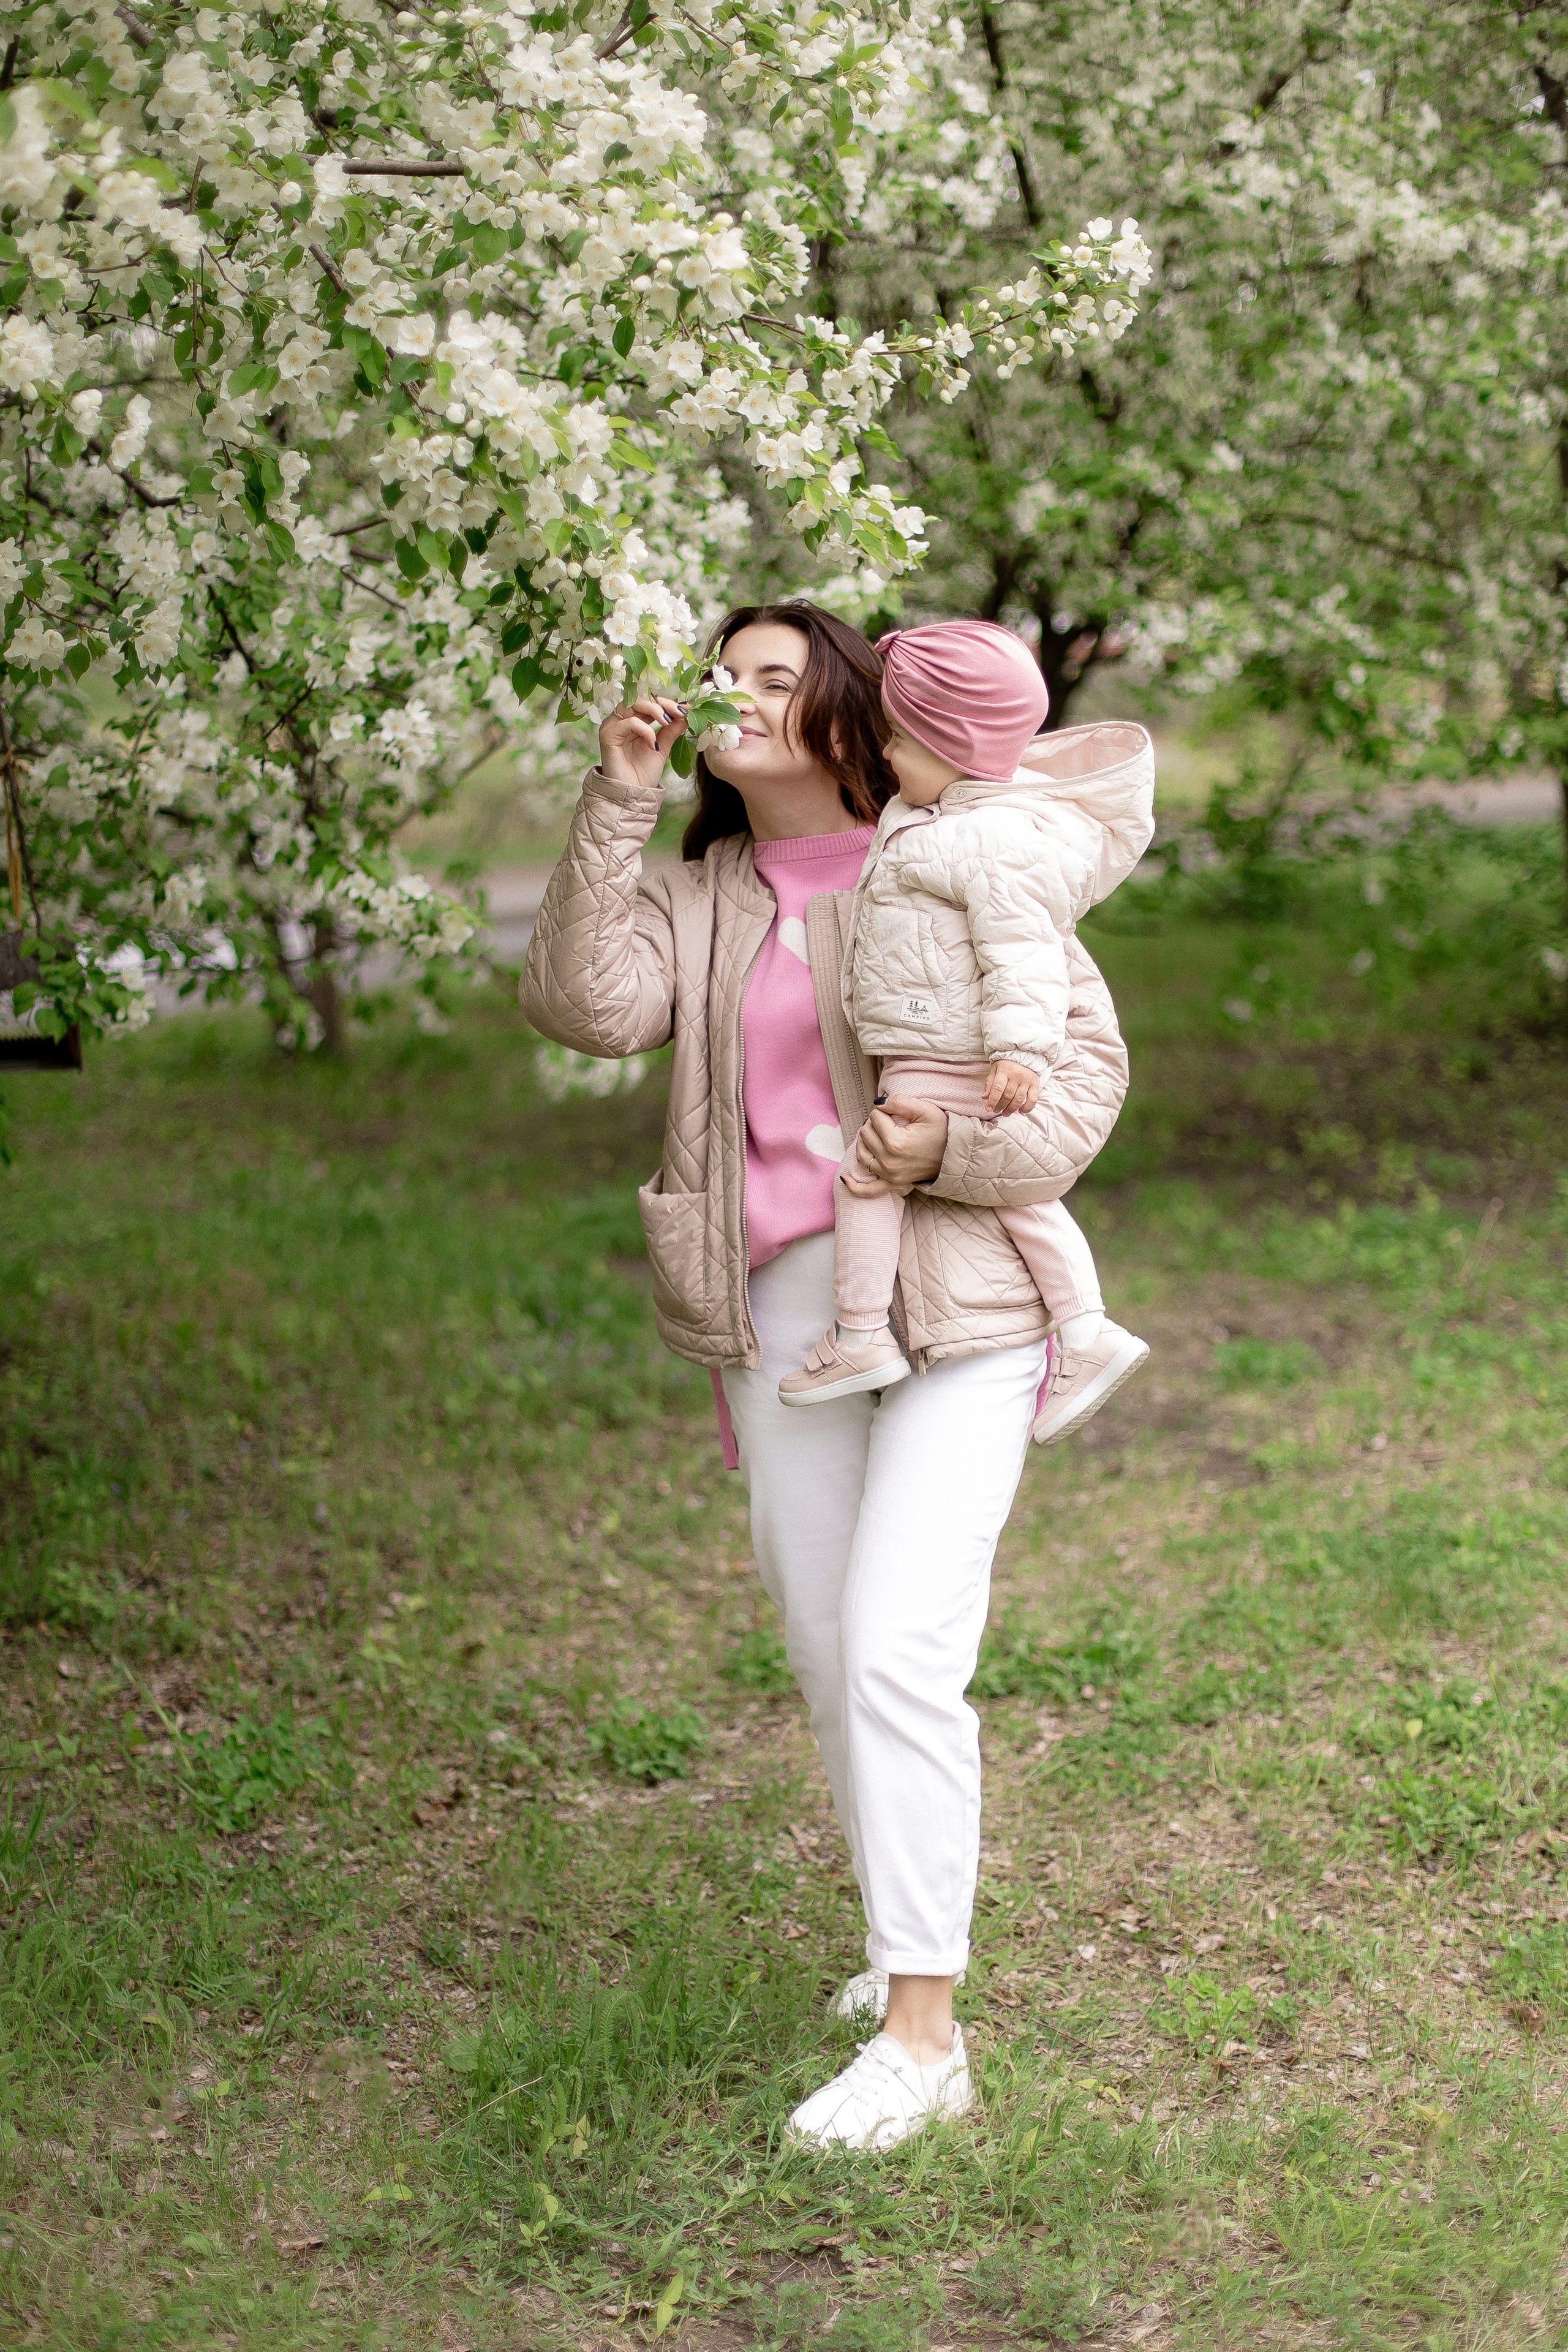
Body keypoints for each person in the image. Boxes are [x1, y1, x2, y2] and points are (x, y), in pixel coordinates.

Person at [520, 601, 1145, 2152]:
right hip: (785, 1312)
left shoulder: (946, 850)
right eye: (719, 672)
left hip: (961, 1300)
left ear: (844, 712)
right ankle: (891, 1951)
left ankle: (927, 2041)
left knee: (891, 1644)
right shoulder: (701, 892)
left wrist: (952, 1141)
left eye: (772, 675)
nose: (732, 692)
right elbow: (584, 1008)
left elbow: (1076, 1083)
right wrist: (616, 797)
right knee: (822, 1647)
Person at [777, 619, 1155, 1447]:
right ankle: (1087, 1332)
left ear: (960, 746)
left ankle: (860, 1334)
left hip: (944, 1047)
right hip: (928, 1039)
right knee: (1021, 1199)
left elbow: (1023, 951)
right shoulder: (948, 816)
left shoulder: (989, 836)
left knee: (866, 1180)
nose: (889, 760)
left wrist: (1022, 1051)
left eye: (903, 742)